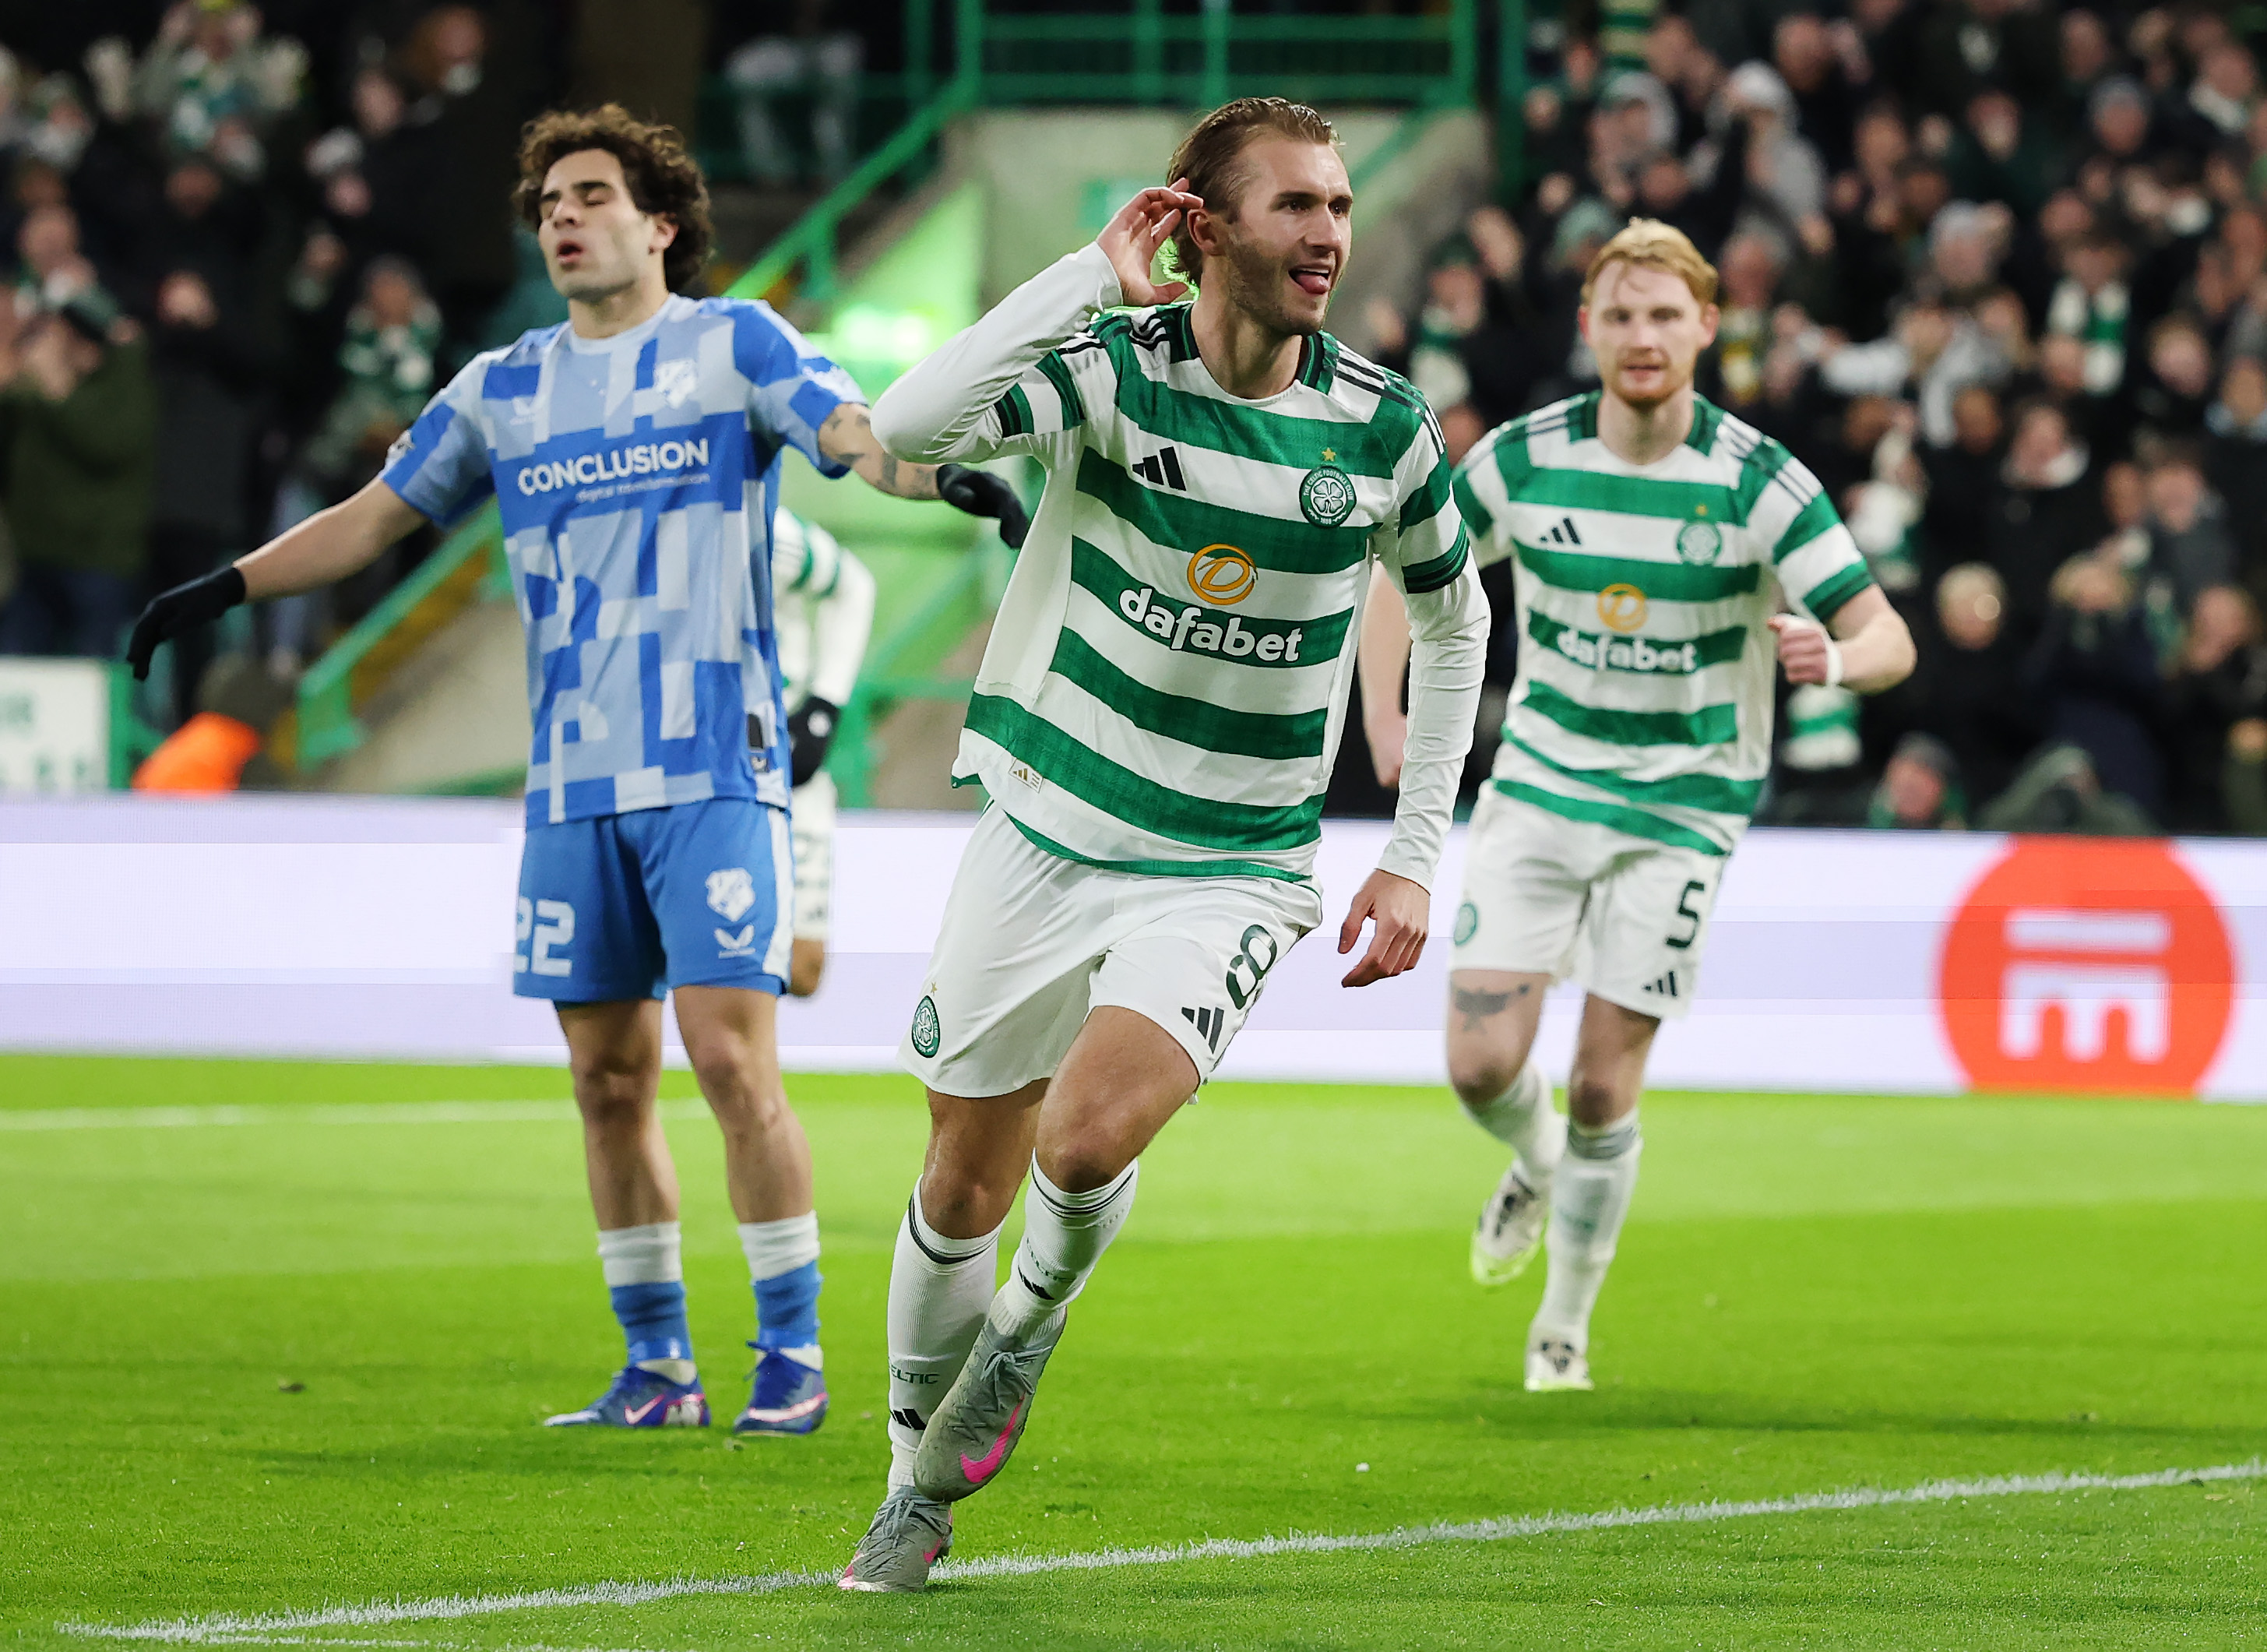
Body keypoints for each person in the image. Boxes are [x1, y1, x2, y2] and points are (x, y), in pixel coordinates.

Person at [121, 105, 1027, 1437]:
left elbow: (846, 431)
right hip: (569, 787)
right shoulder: (502, 387)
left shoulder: (734, 345)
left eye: (590, 194)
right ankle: (657, 1368)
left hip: (714, 763)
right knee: (605, 1078)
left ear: (660, 225)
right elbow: (375, 519)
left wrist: (938, 480)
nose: (560, 215)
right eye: (546, 200)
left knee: (730, 1062)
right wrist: (219, 589)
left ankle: (792, 1356)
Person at [838, 97, 1488, 1591]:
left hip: (1230, 859)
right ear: (1202, 225)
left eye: (1336, 205)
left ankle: (1022, 1335)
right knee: (958, 1181)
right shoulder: (1108, 375)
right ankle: (910, 1478)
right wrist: (1086, 276)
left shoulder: (1380, 423)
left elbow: (1456, 621)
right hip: (1047, 825)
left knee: (1085, 1135)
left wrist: (1413, 849)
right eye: (1294, 208)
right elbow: (914, 424)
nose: (1330, 232)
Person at [1365, 220, 1913, 1394]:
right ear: (1587, 330)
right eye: (1618, 314)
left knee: (1608, 1080)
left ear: (1707, 327)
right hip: (1542, 787)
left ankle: (1559, 1330)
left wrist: (1836, 655)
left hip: (1681, 807)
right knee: (1476, 1066)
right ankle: (1536, 1159)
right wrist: (1383, 714)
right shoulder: (1523, 459)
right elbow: (1397, 574)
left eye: (1664, 314)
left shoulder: (1757, 481)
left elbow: (1887, 635)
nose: (1641, 336)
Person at [769, 507, 875, 995]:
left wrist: (823, 706)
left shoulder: (768, 532)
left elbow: (854, 585)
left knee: (803, 967)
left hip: (786, 766)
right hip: (698, 770)